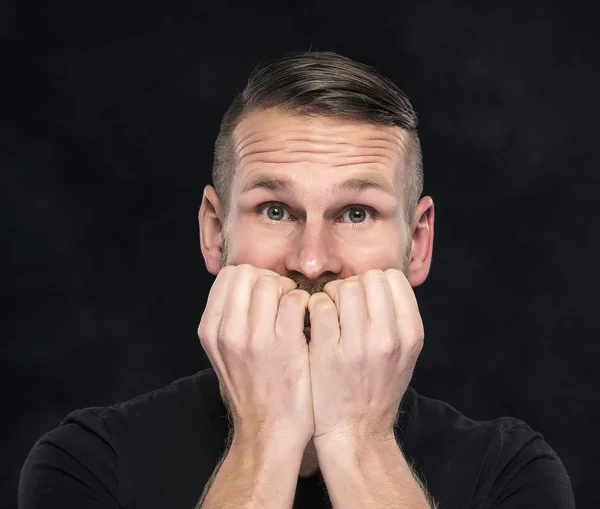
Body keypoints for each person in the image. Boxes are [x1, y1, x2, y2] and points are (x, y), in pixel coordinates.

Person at [19, 51, 575, 509]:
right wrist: (266, 441)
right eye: (275, 210)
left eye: (356, 213)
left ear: (418, 244)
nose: (311, 262)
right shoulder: (86, 464)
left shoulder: (512, 474)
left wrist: (359, 439)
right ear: (215, 234)